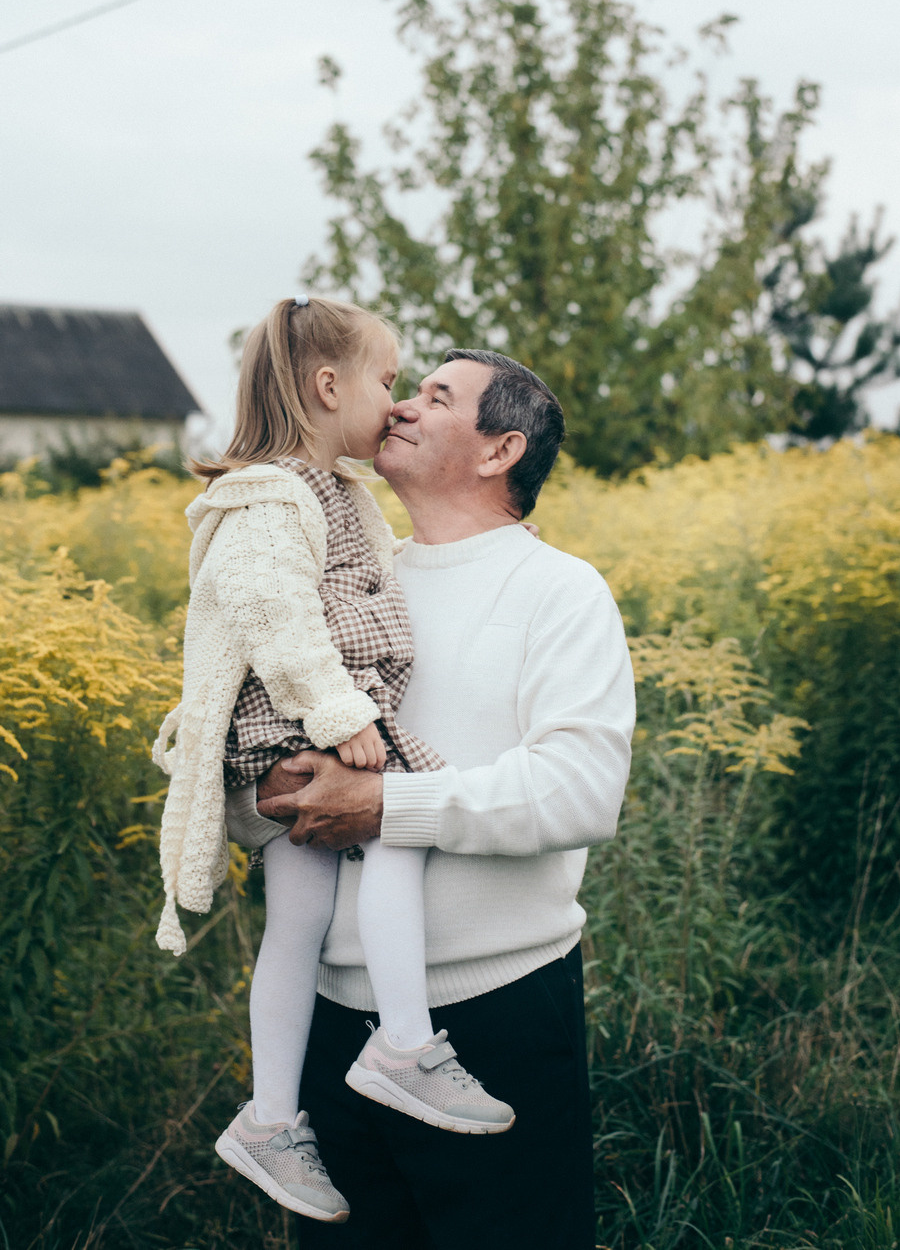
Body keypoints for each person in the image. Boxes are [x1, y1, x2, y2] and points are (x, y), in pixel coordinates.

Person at [254, 347, 636, 1250]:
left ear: (501, 450)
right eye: (408, 387)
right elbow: (255, 761)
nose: (402, 406)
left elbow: (581, 791)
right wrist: (266, 791)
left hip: (496, 1016)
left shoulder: (558, 590)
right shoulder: (341, 580)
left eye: (437, 396)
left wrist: (384, 806)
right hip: (330, 1023)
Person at [152, 297, 514, 1228]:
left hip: (317, 719)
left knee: (300, 922)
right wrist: (341, 714)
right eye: (386, 382)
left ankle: (271, 1118)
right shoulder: (275, 493)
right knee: (395, 835)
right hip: (304, 723)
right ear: (325, 388)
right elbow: (274, 614)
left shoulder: (339, 491)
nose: (392, 404)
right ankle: (400, 1046)